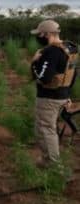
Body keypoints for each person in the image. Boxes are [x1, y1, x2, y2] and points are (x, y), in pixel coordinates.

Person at [30, 20, 78, 168]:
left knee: (45, 130)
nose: (39, 37)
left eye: (40, 34)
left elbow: (44, 78)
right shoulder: (69, 48)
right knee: (50, 128)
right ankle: (49, 160)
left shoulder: (50, 51)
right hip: (62, 95)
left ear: (48, 34)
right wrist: (67, 94)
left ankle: (52, 165)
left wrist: (34, 63)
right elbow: (72, 74)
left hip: (49, 98)